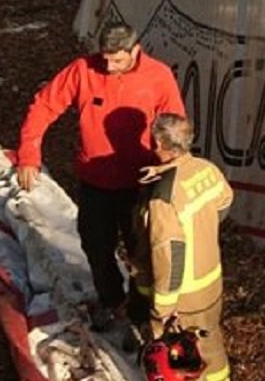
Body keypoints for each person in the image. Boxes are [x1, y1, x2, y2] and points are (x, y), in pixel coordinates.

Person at [17, 21, 185, 326]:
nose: (109, 66)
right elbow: (43, 106)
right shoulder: (82, 70)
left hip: (140, 183)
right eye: (105, 59)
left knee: (142, 250)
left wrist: (171, 171)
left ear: (135, 51)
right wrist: (28, 154)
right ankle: (111, 299)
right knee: (95, 243)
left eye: (118, 60)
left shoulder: (158, 76)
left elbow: (175, 126)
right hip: (96, 182)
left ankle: (140, 311)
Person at [134, 113, 234, 381]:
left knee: (180, 357)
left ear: (158, 143)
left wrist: (162, 307)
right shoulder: (206, 170)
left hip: (183, 293)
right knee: (210, 335)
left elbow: (169, 254)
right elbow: (223, 205)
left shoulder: (164, 197)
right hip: (211, 280)